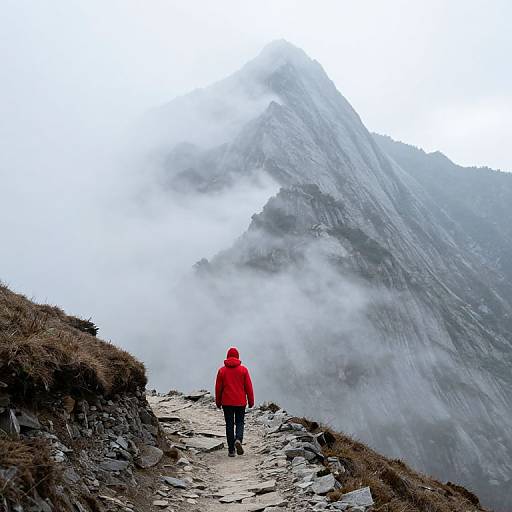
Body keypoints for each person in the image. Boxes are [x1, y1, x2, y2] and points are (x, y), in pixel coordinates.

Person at [215, 347, 254, 457]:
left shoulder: (222, 371)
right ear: (238, 357)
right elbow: (249, 387)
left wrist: (218, 402)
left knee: (229, 424)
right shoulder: (243, 370)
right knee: (240, 422)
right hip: (240, 402)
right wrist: (251, 401)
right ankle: (238, 439)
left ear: (227, 357)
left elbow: (218, 389)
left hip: (227, 402)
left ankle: (231, 450)